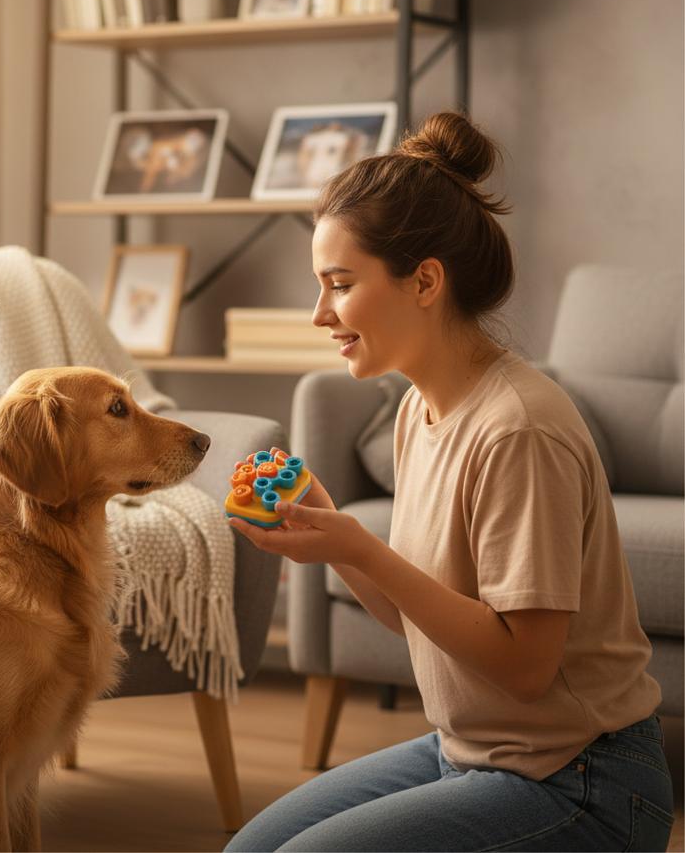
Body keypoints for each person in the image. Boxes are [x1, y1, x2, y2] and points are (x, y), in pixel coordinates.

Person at [225, 112, 673, 853]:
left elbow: (526, 669)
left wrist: (363, 551)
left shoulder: (517, 428)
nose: (319, 314)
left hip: (582, 782)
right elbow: (424, 620)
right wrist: (334, 537)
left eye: (340, 284)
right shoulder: (416, 411)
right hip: (469, 753)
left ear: (425, 280)